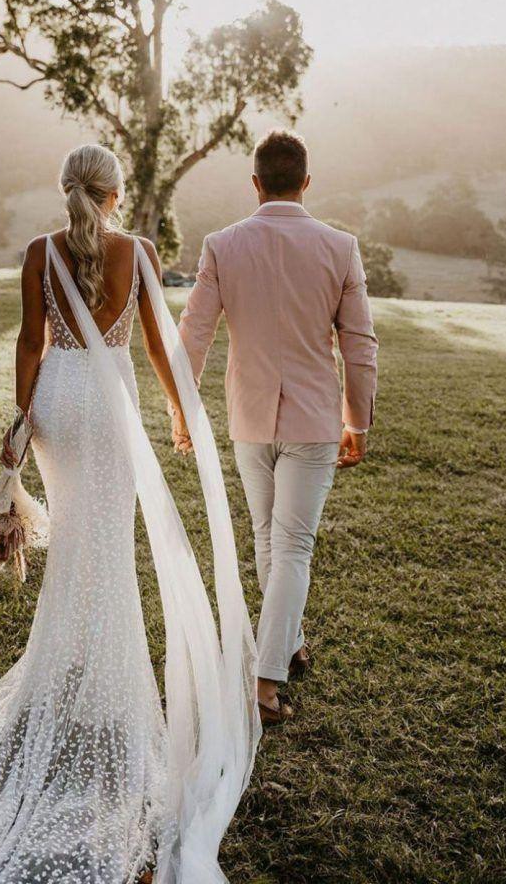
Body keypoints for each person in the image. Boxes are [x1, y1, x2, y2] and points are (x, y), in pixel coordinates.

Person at [0, 144, 259, 884]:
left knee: (76, 542)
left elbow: (33, 341)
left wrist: (21, 418)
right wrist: (177, 411)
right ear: (117, 193)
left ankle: (71, 668)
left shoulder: (39, 251)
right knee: (109, 545)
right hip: (113, 405)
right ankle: (97, 678)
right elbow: (159, 343)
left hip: (62, 403)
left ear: (67, 190)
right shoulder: (140, 252)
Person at [179, 129, 378, 725]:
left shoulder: (222, 244)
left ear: (256, 183)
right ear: (307, 182)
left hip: (249, 416)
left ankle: (285, 644)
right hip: (315, 419)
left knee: (270, 537)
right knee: (290, 544)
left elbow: (194, 334)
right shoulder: (340, 246)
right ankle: (266, 684)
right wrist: (357, 420)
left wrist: (181, 411)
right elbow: (360, 345)